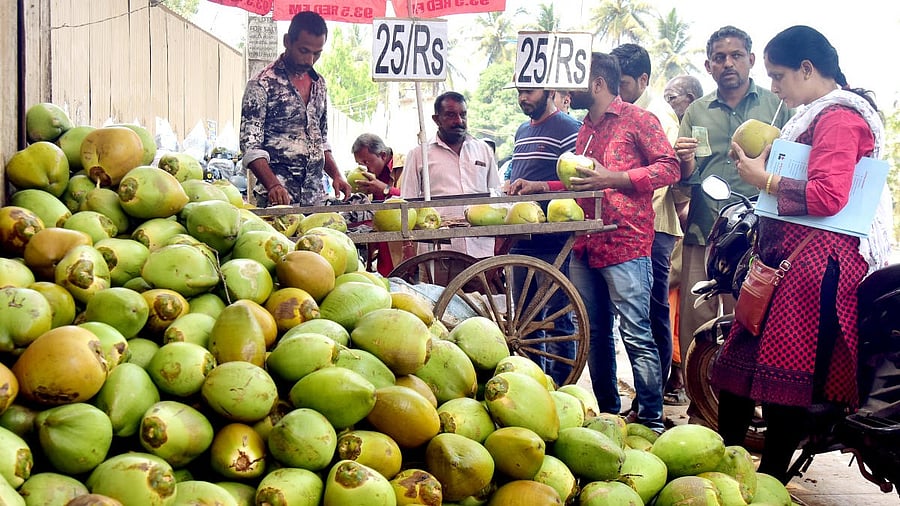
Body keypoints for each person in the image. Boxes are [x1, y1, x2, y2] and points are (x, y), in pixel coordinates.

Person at [711, 25, 892, 482]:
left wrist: (763, 180)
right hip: (788, 263)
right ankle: (730, 472)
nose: (772, 86)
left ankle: (767, 481)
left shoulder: (840, 118)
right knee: (737, 376)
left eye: (778, 75)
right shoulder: (815, 115)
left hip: (814, 269)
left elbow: (830, 194)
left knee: (783, 386)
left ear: (807, 69)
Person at [515, 53, 680, 431]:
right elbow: (584, 181)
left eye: (573, 82)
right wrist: (541, 186)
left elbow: (668, 166)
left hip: (626, 241)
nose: (564, 92)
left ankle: (652, 419)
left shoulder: (638, 119)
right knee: (595, 333)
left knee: (636, 332)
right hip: (586, 242)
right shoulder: (585, 130)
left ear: (596, 84)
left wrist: (617, 178)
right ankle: (609, 413)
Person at [674, 26, 792, 410]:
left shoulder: (778, 105)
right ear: (708, 66)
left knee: (756, 317)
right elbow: (683, 177)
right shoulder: (696, 111)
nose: (728, 63)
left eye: (736, 55)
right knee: (697, 319)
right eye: (720, 58)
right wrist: (685, 162)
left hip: (765, 233)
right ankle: (701, 404)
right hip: (706, 227)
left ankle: (751, 406)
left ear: (751, 60)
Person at [611, 43, 683, 416]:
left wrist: (629, 219)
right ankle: (645, 399)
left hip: (651, 229)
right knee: (639, 315)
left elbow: (665, 176)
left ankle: (650, 401)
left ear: (642, 79)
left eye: (622, 83)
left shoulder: (656, 116)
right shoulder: (623, 113)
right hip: (633, 228)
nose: (617, 90)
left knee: (651, 314)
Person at [504, 87, 582, 386]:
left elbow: (577, 180)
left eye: (530, 92)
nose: (524, 98)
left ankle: (563, 385)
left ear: (549, 90)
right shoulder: (522, 130)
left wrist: (540, 186)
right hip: (522, 238)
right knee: (523, 320)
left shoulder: (568, 127)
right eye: (520, 92)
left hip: (554, 240)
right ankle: (530, 383)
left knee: (557, 317)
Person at [239, 11, 352, 208]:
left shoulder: (319, 85)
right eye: (304, 50)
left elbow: (321, 141)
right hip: (277, 202)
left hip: (316, 200)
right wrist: (273, 185)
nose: (309, 60)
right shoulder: (262, 85)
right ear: (287, 42)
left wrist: (336, 175)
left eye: (316, 53)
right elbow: (250, 147)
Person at [400, 91, 500, 258]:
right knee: (435, 286)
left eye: (463, 114)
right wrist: (407, 247)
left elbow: (496, 196)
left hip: (481, 250)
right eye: (451, 115)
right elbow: (406, 205)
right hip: (438, 251)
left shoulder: (483, 150)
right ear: (436, 119)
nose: (459, 121)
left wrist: (499, 241)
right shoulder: (419, 155)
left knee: (480, 286)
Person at [661, 74, 703, 405]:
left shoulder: (684, 128)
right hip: (678, 228)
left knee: (678, 304)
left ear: (688, 98)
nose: (669, 103)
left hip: (688, 227)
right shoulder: (676, 128)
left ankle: (680, 376)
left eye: (672, 97)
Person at [351, 133, 401, 276]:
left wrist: (385, 189)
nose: (365, 169)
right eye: (360, 164)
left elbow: (413, 199)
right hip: (382, 249)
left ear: (383, 155)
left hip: (405, 247)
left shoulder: (406, 164)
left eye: (367, 162)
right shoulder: (369, 177)